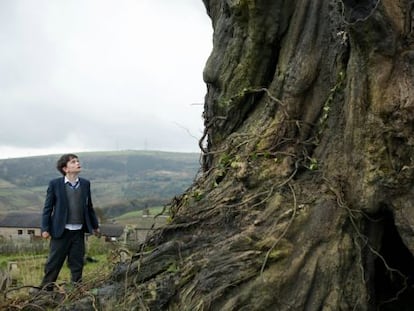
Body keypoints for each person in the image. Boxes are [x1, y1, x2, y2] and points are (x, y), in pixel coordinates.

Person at [39, 153, 100, 291]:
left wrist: (95, 226)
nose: (77, 163)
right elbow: (48, 208)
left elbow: (89, 206)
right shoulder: (55, 184)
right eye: (73, 162)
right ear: (65, 168)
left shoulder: (85, 184)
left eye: (77, 161)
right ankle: (45, 292)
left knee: (77, 263)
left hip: (79, 231)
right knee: (53, 264)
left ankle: (76, 291)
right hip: (61, 231)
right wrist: (44, 228)